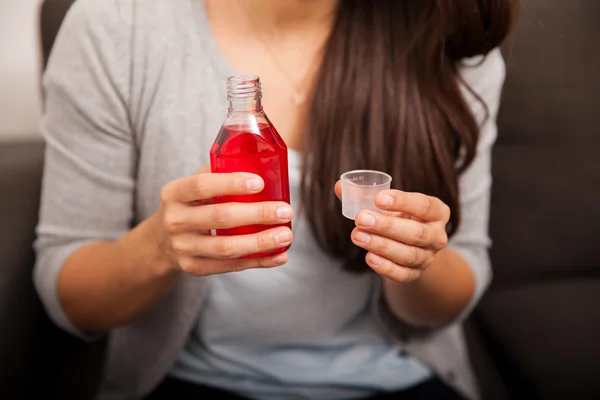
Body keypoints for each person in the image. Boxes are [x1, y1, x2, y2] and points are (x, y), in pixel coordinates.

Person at [34, 0, 517, 399]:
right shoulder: (116, 26)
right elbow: (73, 299)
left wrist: (416, 261)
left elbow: (460, 280)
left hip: (395, 376)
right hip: (196, 379)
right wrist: (159, 247)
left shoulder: (451, 32)